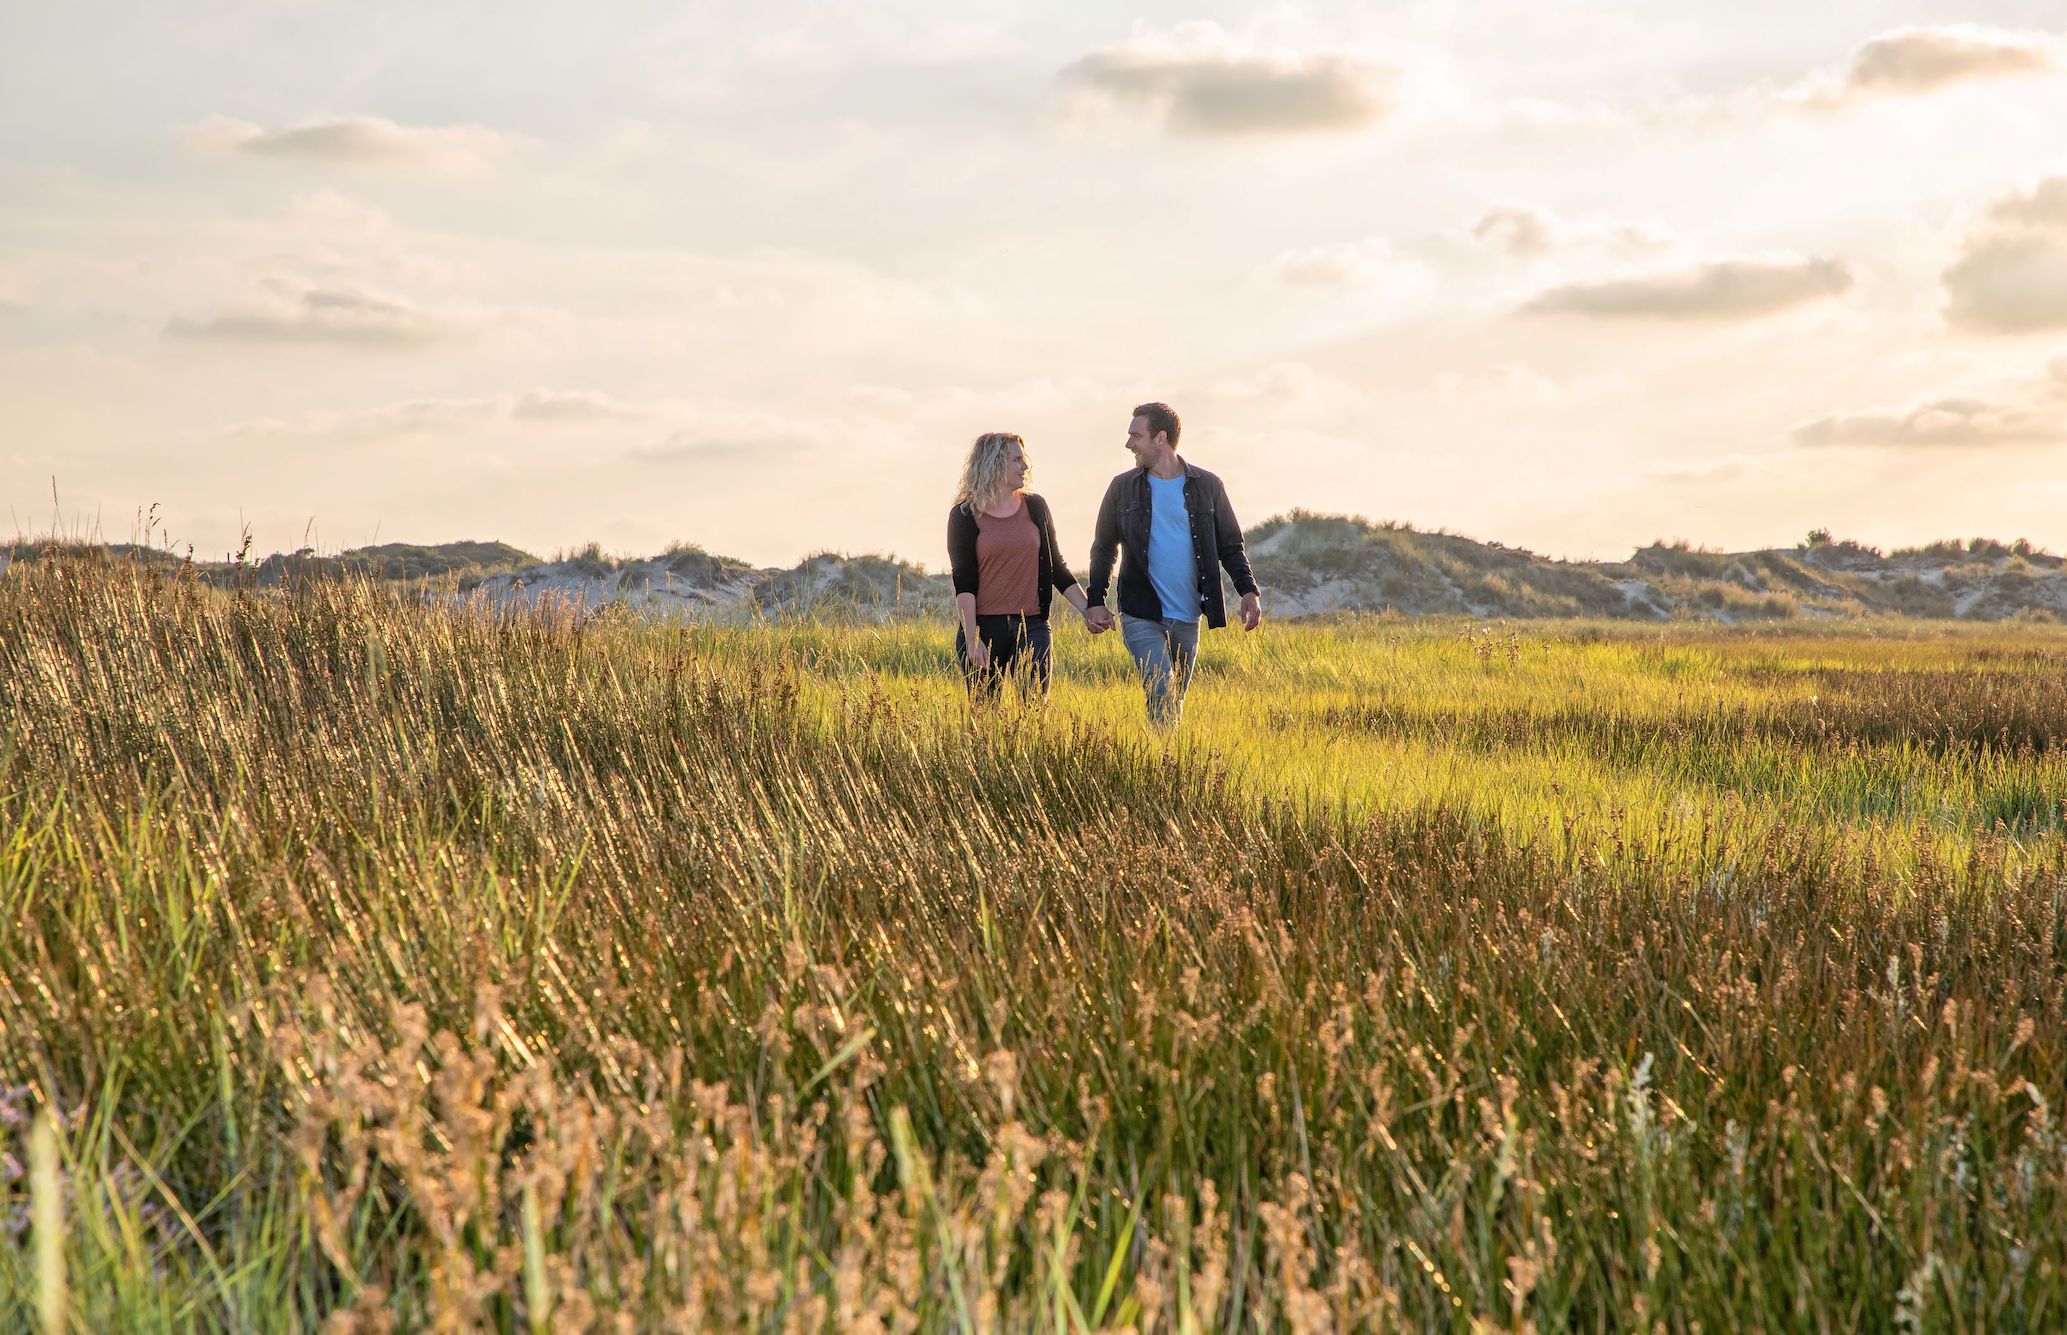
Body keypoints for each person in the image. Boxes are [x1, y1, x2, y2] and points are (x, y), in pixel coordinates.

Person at [1085, 402, 1261, 724]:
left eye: (1135, 436)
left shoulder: (1207, 486)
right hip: (1141, 612)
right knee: (1161, 687)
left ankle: (1165, 763)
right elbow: (1103, 548)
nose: (1128, 444)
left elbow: (1231, 545)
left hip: (1187, 614)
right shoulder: (1122, 488)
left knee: (1173, 700)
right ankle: (1164, 759)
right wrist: (1095, 600)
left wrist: (1248, 590)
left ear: (1160, 438)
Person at [947, 431, 1097, 700]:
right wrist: (972, 639)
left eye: (1023, 459)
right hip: (983, 629)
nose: (1025, 466)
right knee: (984, 718)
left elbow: (1057, 567)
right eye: (1017, 460)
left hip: (1033, 627)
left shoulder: (1036, 507)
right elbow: (964, 583)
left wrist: (1088, 610)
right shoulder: (964, 516)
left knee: (1034, 713)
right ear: (994, 463)